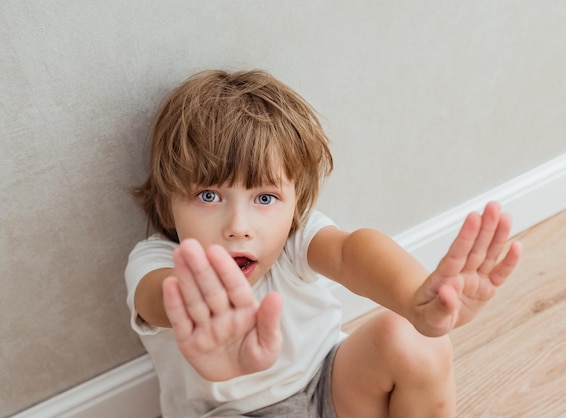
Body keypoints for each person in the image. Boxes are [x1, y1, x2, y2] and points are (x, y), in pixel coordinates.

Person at [125, 69, 522, 418]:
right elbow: (157, 298)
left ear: (295, 202)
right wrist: (197, 311)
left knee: (412, 341)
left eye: (265, 199)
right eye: (209, 196)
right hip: (227, 412)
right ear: (167, 200)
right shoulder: (156, 260)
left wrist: (416, 299)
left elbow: (350, 253)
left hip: (330, 385)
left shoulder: (292, 239)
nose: (238, 227)